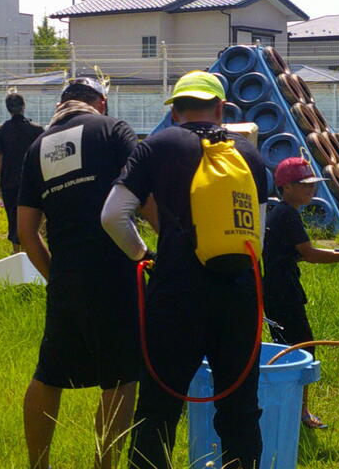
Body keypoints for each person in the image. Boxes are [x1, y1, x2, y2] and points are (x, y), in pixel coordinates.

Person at [100, 70, 267, 469]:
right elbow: (257, 236)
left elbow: (112, 215)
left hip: (176, 294)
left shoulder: (156, 146)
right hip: (239, 296)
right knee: (241, 411)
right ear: (221, 109)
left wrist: (143, 255)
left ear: (175, 111)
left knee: (158, 408)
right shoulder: (250, 155)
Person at [18, 77, 140, 469]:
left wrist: (55, 276)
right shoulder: (113, 129)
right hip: (115, 269)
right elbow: (146, 192)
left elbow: (26, 231)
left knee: (49, 374)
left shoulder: (38, 147)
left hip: (66, 275)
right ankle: (104, 465)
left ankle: (38, 465)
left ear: (62, 104)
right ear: (100, 102)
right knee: (120, 377)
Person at [263, 156, 339, 429]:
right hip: (282, 292)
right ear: (286, 187)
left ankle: (288, 407)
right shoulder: (287, 214)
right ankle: (299, 412)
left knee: (290, 347)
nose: (312, 189)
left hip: (278, 290)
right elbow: (311, 255)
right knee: (301, 348)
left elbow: (297, 253)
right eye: (305, 184)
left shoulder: (283, 212)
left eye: (313, 184)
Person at [0, 92, 44, 253]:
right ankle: (33, 250)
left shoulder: (0, 131)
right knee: (36, 216)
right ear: (24, 106)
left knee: (13, 217)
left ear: (8, 109)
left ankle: (17, 252)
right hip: (33, 180)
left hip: (10, 180)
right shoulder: (37, 130)